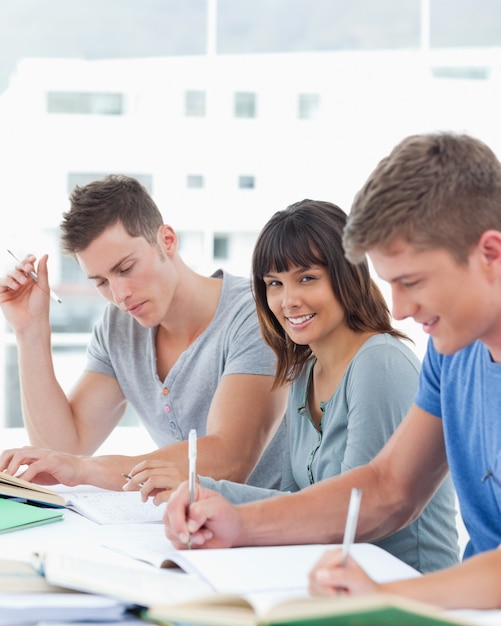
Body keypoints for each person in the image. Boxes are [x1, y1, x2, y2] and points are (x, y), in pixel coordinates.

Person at [163, 132, 501, 610]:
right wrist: (239, 522)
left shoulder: (388, 356)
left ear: (490, 253)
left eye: (413, 282)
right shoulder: (453, 353)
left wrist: (386, 596)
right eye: (391, 284)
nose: (400, 309)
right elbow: (387, 486)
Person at [128, 199, 458, 573]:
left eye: (307, 278)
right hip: (331, 577)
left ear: (347, 275)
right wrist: (203, 493)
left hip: (403, 586)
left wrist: (220, 499)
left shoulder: (379, 362)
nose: (288, 301)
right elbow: (296, 501)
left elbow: (359, 517)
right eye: (274, 284)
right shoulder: (304, 372)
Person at [0, 174, 287, 492]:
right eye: (101, 282)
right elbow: (62, 451)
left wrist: (88, 469)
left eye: (125, 268)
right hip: (186, 527)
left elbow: (229, 459)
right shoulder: (119, 328)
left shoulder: (253, 314)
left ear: (167, 241)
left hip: (274, 532)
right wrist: (29, 331)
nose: (119, 295)